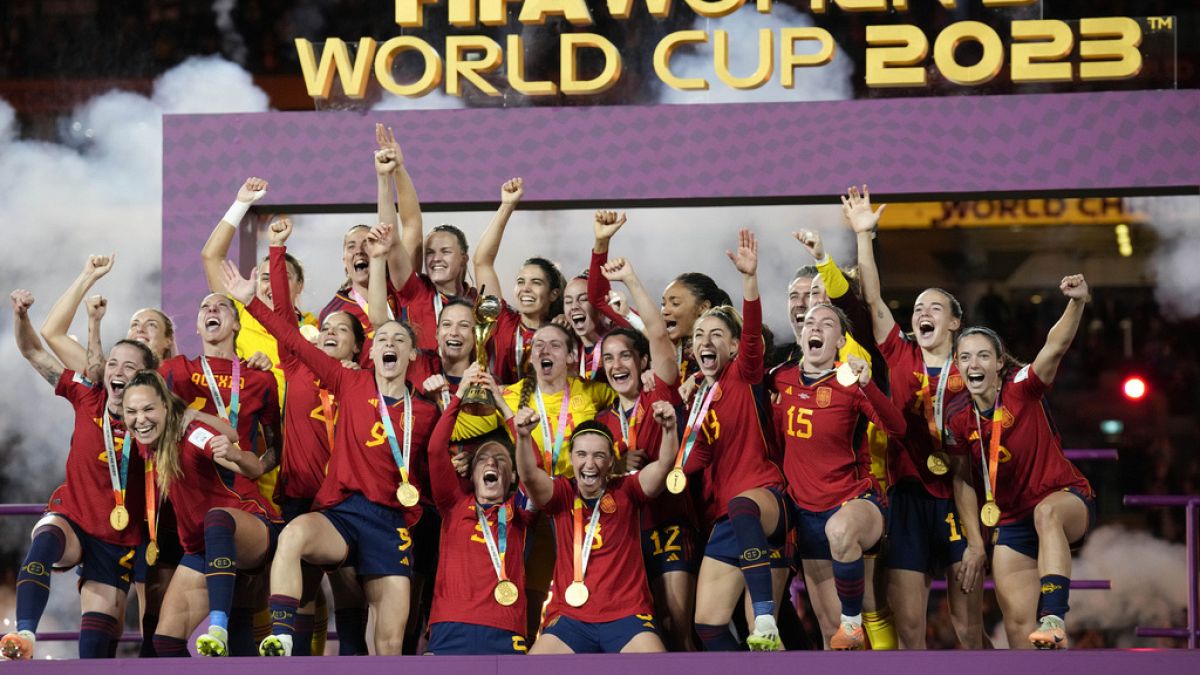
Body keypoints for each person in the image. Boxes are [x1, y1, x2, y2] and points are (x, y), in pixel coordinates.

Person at [221, 261, 439, 657]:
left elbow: (438, 472)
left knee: (390, 643)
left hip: (391, 524)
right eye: (382, 337)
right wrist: (250, 300)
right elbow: (293, 340)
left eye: (398, 340)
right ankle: (283, 636)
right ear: (371, 350)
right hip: (342, 512)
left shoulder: (426, 410)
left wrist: (451, 403)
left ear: (411, 355)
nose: (388, 343)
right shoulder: (350, 381)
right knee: (292, 536)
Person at [843, 185, 984, 649]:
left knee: (969, 630)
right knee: (909, 633)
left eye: (934, 308)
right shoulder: (901, 353)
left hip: (957, 498)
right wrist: (865, 234)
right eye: (918, 308)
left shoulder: (974, 369)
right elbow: (875, 299)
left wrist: (977, 533)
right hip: (905, 500)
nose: (922, 313)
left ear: (954, 323)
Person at [0, 291, 158, 661]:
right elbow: (34, 352)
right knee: (45, 539)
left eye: (129, 368)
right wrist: (21, 316)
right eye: (113, 364)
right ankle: (24, 634)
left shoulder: (157, 419)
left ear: (145, 379)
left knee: (99, 648)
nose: (117, 372)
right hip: (76, 520)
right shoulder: (88, 395)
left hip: (124, 540)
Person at [947, 274, 1096, 650]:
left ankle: (1054, 615)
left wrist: (1076, 303)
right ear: (958, 367)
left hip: (1065, 499)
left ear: (999, 363)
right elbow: (963, 479)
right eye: (965, 357)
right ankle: (1045, 638)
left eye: (983, 355)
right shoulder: (958, 418)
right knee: (1017, 631)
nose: (973, 363)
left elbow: (1054, 347)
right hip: (1011, 523)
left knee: (1047, 514)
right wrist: (975, 542)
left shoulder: (1022, 388)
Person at [769, 303, 905, 650]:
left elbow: (897, 427)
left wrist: (869, 385)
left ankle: (853, 623)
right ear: (801, 337)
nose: (815, 326)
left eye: (827, 323)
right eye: (810, 322)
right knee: (833, 636)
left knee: (840, 533)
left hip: (853, 502)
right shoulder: (779, 378)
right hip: (805, 513)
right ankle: (848, 632)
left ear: (840, 340)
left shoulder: (851, 382)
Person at [262, 218, 370, 655]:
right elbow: (283, 317)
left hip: (346, 500)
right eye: (326, 328)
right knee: (302, 587)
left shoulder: (364, 385)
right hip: (299, 495)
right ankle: (295, 660)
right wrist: (275, 248)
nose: (329, 332)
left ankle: (353, 661)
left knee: (348, 587)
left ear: (358, 346)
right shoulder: (297, 367)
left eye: (341, 330)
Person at [122, 370, 280, 658]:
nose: (140, 419)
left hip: (247, 527)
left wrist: (234, 454)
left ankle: (217, 629)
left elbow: (254, 468)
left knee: (216, 518)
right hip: (202, 548)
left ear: (166, 407)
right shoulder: (146, 444)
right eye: (131, 412)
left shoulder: (192, 434)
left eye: (148, 409)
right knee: (166, 641)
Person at [684, 229, 789, 652]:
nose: (705, 342)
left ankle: (764, 618)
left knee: (742, 504)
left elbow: (751, 339)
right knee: (707, 624)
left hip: (765, 501)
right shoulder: (699, 400)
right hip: (729, 520)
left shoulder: (743, 375)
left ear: (732, 345)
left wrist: (749, 280)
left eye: (715, 335)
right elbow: (693, 461)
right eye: (698, 337)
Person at [591, 255, 698, 651]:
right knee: (645, 631)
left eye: (624, 357)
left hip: (670, 522)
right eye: (608, 359)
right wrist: (617, 467)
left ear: (642, 363)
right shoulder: (601, 422)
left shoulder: (660, 392)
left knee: (679, 627)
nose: (617, 365)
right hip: (626, 536)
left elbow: (657, 334)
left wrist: (631, 280)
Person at [514, 408, 680, 654]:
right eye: (581, 454)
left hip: (628, 615)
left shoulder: (628, 490)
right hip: (570, 618)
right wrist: (524, 437)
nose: (589, 464)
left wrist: (669, 429)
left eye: (599, 455)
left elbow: (665, 464)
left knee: (657, 667)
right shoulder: (562, 494)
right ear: (571, 458)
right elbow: (528, 475)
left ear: (611, 461)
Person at [423, 365, 536, 654]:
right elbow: (436, 450)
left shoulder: (520, 512)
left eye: (501, 460)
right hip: (450, 624)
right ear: (471, 476)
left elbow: (535, 469)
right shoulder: (453, 504)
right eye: (483, 459)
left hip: (505, 626)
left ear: (513, 477)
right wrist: (458, 395)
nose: (492, 463)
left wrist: (501, 403)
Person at [371, 126, 477, 352]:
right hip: (419, 386)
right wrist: (387, 176)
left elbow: (412, 224)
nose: (435, 258)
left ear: (463, 258)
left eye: (445, 251)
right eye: (430, 252)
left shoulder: (479, 302)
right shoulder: (416, 291)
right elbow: (396, 234)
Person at [472, 177, 569, 385]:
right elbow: (482, 262)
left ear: (554, 293)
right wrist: (507, 205)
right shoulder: (501, 321)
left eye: (536, 282)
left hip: (551, 415)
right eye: (521, 281)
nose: (526, 289)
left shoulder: (563, 332)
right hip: (502, 414)